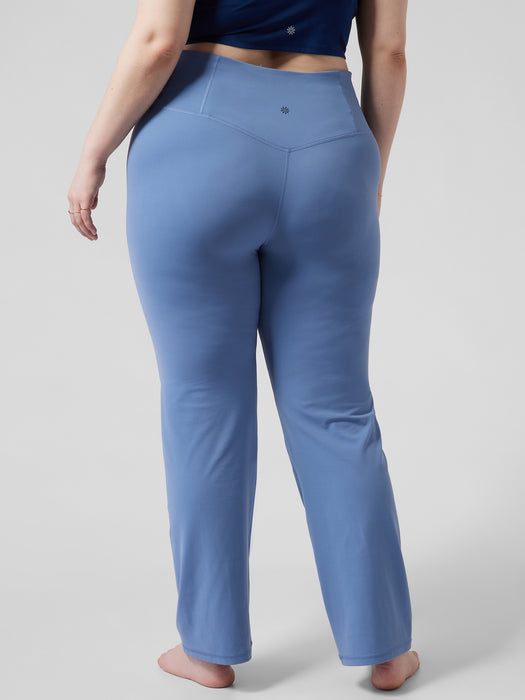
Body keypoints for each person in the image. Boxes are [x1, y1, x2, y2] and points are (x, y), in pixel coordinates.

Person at [67, 0, 420, 691]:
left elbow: (158, 40)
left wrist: (92, 154)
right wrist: (366, 172)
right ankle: (385, 648)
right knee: (337, 410)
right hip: (331, 142)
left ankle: (208, 647)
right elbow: (388, 53)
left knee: (203, 402)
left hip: (197, 139)